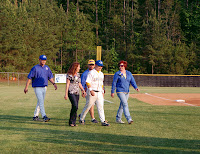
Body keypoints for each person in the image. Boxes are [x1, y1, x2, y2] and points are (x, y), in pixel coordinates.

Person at [24, 55, 57, 122]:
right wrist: (26, 87)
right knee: (41, 101)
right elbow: (29, 78)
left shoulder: (47, 68)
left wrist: (54, 83)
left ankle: (35, 116)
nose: (43, 61)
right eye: (42, 60)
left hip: (44, 87)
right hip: (37, 87)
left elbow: (50, 77)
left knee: (40, 101)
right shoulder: (35, 68)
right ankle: (44, 116)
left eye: (44, 60)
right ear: (39, 60)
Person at [79, 60, 110, 126]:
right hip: (92, 91)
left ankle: (103, 121)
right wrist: (90, 90)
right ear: (95, 65)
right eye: (99, 66)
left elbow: (101, 83)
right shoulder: (91, 72)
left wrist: (102, 91)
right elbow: (88, 82)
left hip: (99, 92)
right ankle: (81, 118)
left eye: (101, 66)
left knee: (100, 107)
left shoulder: (101, 73)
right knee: (88, 106)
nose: (100, 67)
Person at [64, 62, 86, 127]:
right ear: (75, 67)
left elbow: (79, 83)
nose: (79, 68)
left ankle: (73, 122)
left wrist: (83, 90)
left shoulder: (78, 75)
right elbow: (67, 84)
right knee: (75, 106)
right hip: (71, 92)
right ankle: (71, 121)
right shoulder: (69, 75)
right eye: (79, 67)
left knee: (75, 108)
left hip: (77, 92)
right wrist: (66, 94)